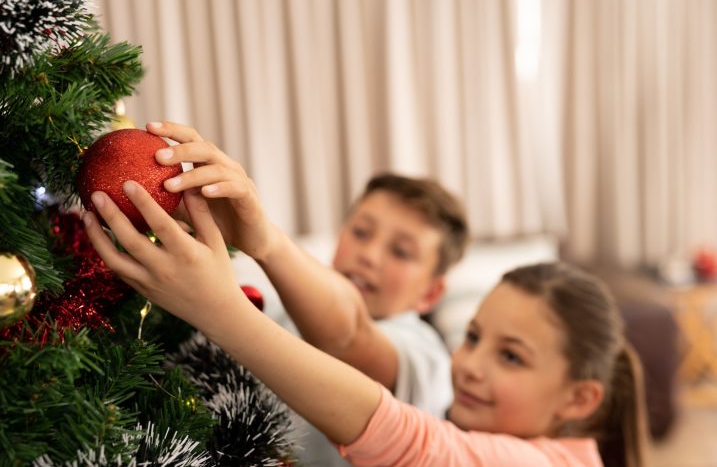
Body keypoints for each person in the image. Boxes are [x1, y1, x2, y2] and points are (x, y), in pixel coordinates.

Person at [83, 177, 649, 466]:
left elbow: (352, 339)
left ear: (431, 291)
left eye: (510, 356)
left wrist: (228, 297)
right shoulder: (272, 299)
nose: (469, 365)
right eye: (473, 337)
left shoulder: (419, 348)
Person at [146, 121, 468, 464]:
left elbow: (348, 337)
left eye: (401, 252)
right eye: (361, 232)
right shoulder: (274, 307)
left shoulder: (424, 354)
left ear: (431, 294)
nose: (370, 255)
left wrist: (266, 242)